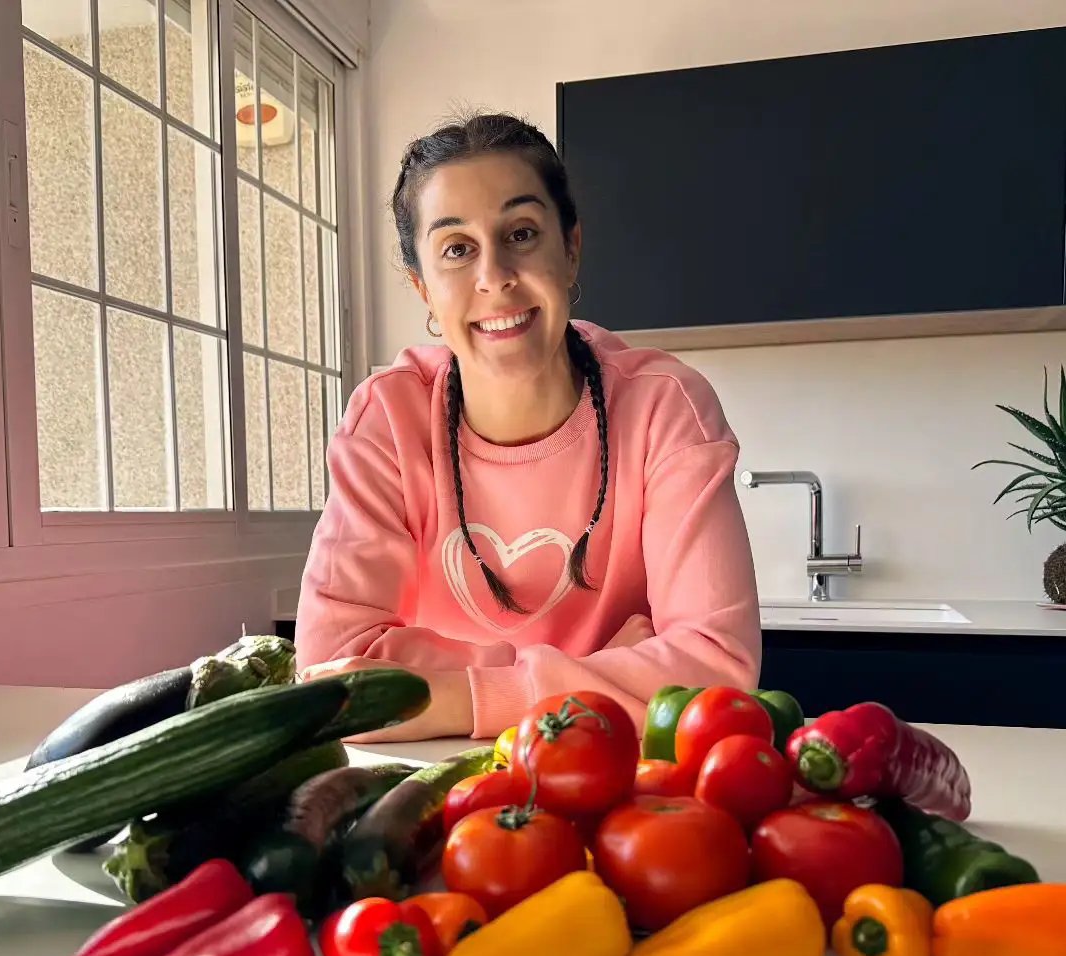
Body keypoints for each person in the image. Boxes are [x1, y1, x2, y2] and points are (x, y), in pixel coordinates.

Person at [296, 111, 761, 743]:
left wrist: (448, 692)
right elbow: (328, 683)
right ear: (423, 289)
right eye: (456, 250)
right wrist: (609, 673)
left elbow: (719, 674)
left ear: (570, 250)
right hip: (443, 779)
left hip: (618, 774)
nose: (494, 277)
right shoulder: (388, 420)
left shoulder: (665, 407)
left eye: (521, 233)